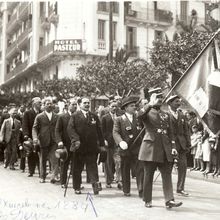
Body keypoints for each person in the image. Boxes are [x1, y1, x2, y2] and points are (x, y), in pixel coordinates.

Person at [138, 88, 182, 208]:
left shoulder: (166, 114)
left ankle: (169, 200)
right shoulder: (146, 112)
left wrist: (173, 146)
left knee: (167, 175)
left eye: (161, 98)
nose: (160, 100)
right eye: (157, 97)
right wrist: (149, 105)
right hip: (150, 148)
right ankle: (147, 199)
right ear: (152, 98)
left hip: (165, 148)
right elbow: (139, 115)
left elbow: (171, 133)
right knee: (148, 175)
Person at [67, 97, 105, 195]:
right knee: (77, 168)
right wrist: (76, 139)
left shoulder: (94, 116)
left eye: (88, 103)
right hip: (79, 147)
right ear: (80, 105)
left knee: (92, 167)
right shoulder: (75, 116)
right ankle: (77, 187)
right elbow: (70, 129)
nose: (87, 104)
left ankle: (95, 186)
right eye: (85, 103)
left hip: (91, 148)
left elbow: (99, 131)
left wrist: (102, 145)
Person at [113, 96, 144, 197]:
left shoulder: (139, 118)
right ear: (125, 108)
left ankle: (141, 190)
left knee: (140, 169)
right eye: (131, 106)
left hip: (137, 148)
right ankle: (126, 190)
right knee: (125, 169)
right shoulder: (119, 119)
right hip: (125, 149)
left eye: (135, 105)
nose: (134, 107)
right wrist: (120, 142)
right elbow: (115, 132)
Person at [166, 95, 191, 196]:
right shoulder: (165, 115)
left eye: (179, 101)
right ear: (170, 103)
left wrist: (188, 143)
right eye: (176, 101)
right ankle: (168, 189)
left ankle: (180, 188)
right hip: (169, 145)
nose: (178, 103)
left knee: (183, 167)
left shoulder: (182, 115)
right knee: (167, 168)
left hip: (181, 145)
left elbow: (186, 130)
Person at [32, 97, 59, 183]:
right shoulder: (39, 116)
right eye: (47, 104)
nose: (50, 105)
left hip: (54, 140)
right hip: (43, 140)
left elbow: (59, 129)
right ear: (44, 105)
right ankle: (42, 176)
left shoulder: (57, 116)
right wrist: (35, 138)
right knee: (43, 159)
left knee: (55, 159)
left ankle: (53, 177)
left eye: (51, 104)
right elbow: (34, 128)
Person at [55, 99, 78, 188]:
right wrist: (59, 141)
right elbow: (57, 130)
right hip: (66, 144)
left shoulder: (79, 116)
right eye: (73, 104)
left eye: (76, 105)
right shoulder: (62, 117)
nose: (75, 106)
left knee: (76, 165)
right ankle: (63, 182)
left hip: (76, 144)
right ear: (68, 105)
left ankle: (76, 185)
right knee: (65, 164)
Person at [101, 100, 122, 189]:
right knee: (108, 163)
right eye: (112, 106)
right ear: (109, 106)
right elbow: (102, 131)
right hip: (108, 143)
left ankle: (119, 180)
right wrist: (104, 140)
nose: (114, 108)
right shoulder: (105, 117)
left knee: (119, 162)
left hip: (117, 143)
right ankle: (108, 181)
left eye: (115, 106)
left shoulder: (120, 117)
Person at [22, 97, 41, 177]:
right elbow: (25, 125)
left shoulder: (42, 112)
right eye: (39, 103)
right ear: (34, 104)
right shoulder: (27, 113)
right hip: (30, 136)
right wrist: (26, 135)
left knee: (40, 154)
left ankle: (41, 171)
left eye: (40, 103)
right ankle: (31, 171)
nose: (40, 104)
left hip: (40, 137)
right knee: (31, 154)